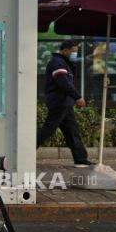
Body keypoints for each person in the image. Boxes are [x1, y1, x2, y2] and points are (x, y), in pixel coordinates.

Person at [37, 40, 92, 168]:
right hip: (59, 101)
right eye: (74, 51)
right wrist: (77, 97)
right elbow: (63, 82)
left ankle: (81, 158)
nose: (75, 53)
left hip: (65, 102)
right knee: (49, 129)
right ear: (65, 50)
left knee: (72, 130)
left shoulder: (65, 63)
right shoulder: (58, 62)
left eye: (76, 51)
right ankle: (26, 152)